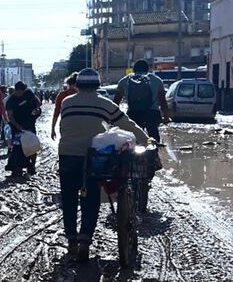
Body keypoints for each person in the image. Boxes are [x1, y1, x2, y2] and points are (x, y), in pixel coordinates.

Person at [57, 69, 149, 263]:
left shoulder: (67, 102)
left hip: (66, 154)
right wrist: (145, 139)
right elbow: (127, 124)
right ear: (97, 86)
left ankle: (71, 240)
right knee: (91, 198)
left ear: (78, 85)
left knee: (69, 197)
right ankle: (84, 242)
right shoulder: (105, 104)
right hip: (93, 157)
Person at [114, 59, 170, 144]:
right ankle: (154, 154)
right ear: (147, 69)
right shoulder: (156, 80)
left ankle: (135, 155)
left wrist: (113, 119)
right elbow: (163, 101)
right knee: (154, 139)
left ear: (134, 69)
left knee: (134, 140)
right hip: (152, 114)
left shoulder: (124, 80)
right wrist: (166, 117)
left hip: (133, 113)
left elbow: (116, 103)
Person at [4, 82, 42, 176]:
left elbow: (37, 101)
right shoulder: (11, 101)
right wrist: (17, 126)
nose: (21, 93)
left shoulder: (28, 93)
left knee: (32, 145)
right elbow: (10, 116)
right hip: (17, 126)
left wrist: (37, 108)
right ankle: (17, 166)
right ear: (16, 90)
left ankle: (32, 166)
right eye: (19, 92)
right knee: (18, 147)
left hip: (30, 123)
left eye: (23, 91)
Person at [50, 73, 79, 141]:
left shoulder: (62, 95)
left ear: (68, 84)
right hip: (81, 125)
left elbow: (56, 113)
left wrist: (53, 129)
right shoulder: (84, 95)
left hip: (65, 124)